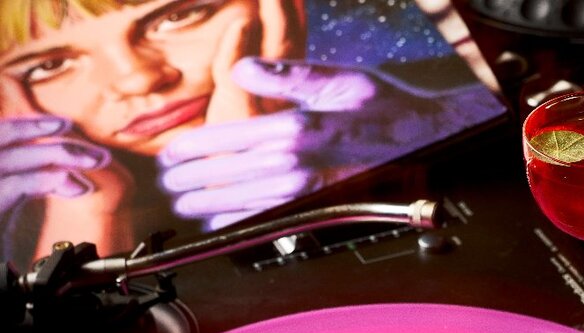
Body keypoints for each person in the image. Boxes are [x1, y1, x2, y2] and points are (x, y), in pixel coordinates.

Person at [0, 0, 506, 270]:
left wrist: (437, 127)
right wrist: (85, 212)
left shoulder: (447, 82)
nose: (138, 78)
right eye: (48, 66)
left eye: (177, 16)